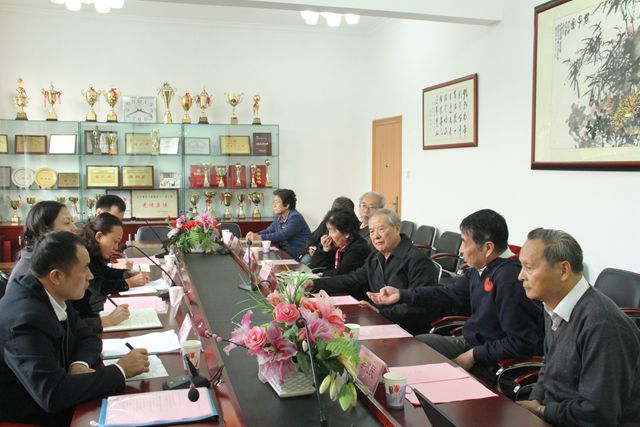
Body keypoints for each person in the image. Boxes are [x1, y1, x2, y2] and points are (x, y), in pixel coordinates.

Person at [367, 209, 544, 384]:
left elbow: (520, 342)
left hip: (493, 361)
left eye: (465, 243)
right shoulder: (479, 270)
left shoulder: (509, 279)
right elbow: (448, 293)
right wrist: (401, 295)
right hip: (471, 343)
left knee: (418, 363)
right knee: (412, 346)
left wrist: (473, 355)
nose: (460, 250)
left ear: (488, 248)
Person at [0, 231, 149, 425]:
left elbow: (88, 336)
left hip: (59, 398)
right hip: (30, 415)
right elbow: (52, 393)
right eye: (85, 269)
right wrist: (120, 370)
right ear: (57, 276)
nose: (90, 276)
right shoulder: (25, 320)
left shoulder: (51, 292)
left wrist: (78, 364)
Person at [516, 228, 640, 426]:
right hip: (555, 416)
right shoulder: (552, 304)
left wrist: (541, 410)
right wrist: (535, 401)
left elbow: (598, 414)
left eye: (529, 267)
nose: (521, 276)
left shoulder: (602, 324)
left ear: (563, 270)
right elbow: (549, 366)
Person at [306, 208, 439, 334]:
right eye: (371, 231)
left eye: (381, 229)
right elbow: (354, 279)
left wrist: (380, 313)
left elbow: (419, 305)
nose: (375, 236)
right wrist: (315, 284)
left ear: (397, 228)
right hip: (377, 321)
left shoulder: (418, 261)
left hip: (406, 330)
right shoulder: (376, 257)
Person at [76, 213, 149, 322]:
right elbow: (99, 286)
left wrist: (126, 274)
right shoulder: (83, 253)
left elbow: (104, 271)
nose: (116, 247)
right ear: (99, 236)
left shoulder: (92, 250)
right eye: (115, 242)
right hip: (84, 315)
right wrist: (130, 282)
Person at [9, 200, 77, 283]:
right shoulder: (33, 271)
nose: (75, 228)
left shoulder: (51, 257)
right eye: (67, 223)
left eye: (72, 222)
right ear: (45, 230)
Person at [245, 189, 311, 259]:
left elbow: (282, 235)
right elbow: (269, 231)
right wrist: (255, 235)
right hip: (285, 254)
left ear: (287, 205)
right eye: (274, 202)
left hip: (299, 255)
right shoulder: (279, 216)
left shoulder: (296, 218)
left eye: (277, 202)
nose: (274, 206)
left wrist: (260, 237)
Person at [308, 208, 370, 277]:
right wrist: (325, 250)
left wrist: (322, 275)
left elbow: (341, 273)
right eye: (328, 230)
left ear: (346, 232)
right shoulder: (336, 245)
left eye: (332, 231)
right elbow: (314, 269)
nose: (329, 235)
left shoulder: (358, 248)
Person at [301, 196, 355, 265]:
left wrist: (326, 249)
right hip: (319, 253)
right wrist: (311, 247)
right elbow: (312, 237)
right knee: (305, 260)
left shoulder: (352, 229)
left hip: (331, 259)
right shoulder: (328, 221)